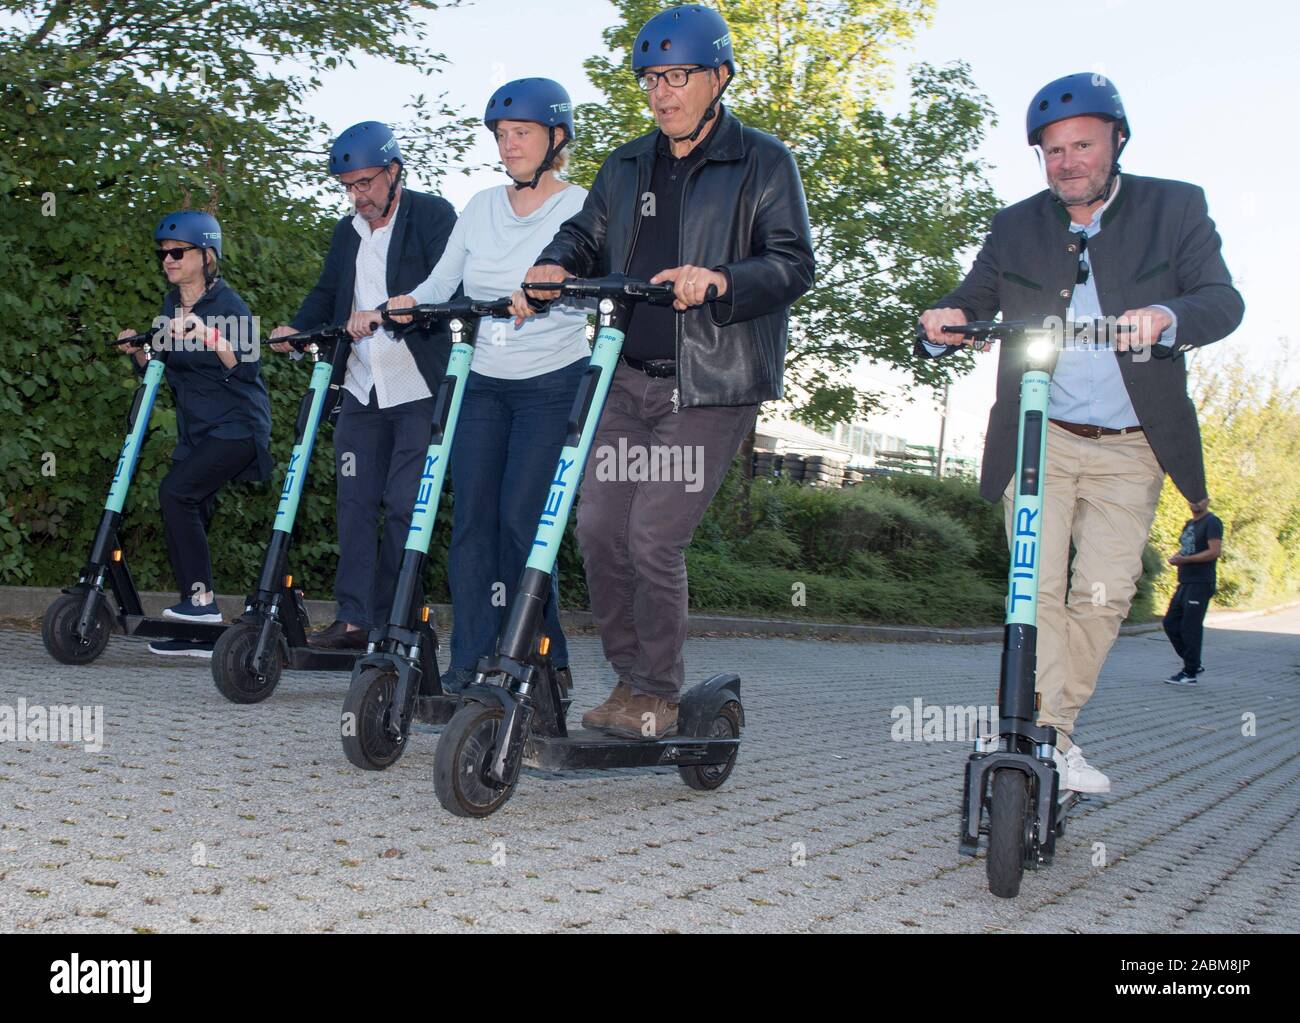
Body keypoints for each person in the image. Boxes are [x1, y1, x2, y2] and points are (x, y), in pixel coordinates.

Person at [917, 74, 1244, 792]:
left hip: (1132, 444)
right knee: (1033, 592)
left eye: (1082, 146)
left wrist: (1166, 315)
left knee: (1101, 595)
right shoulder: (1016, 225)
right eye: (1052, 151)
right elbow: (973, 296)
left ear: (1116, 141)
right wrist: (943, 321)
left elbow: (1223, 299)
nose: (1066, 163)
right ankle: (1044, 737)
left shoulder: (1175, 206)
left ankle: (1049, 731)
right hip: (1041, 435)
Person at [512, 4, 815, 739]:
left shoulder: (762, 161)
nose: (662, 93)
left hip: (708, 384)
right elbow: (586, 234)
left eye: (677, 76)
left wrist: (720, 280)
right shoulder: (624, 164)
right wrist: (556, 262)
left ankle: (660, 690)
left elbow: (793, 263)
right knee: (598, 527)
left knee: (652, 533)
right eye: (651, 78)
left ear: (718, 77)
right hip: (626, 375)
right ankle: (628, 681)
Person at [357, 79, 589, 693]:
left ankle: (544, 657)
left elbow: (586, 283)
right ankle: (470, 663)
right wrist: (403, 302)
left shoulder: (580, 207)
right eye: (502, 136)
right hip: (482, 380)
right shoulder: (482, 204)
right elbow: (442, 283)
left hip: (553, 381)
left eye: (523, 134)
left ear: (556, 138)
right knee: (472, 524)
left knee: (521, 524)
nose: (509, 146)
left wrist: (549, 290)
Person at [269, 121, 457, 649]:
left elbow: (447, 286)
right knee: (354, 501)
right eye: (349, 186)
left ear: (394, 172)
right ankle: (353, 619)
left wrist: (388, 311)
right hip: (360, 387)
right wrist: (296, 329)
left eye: (367, 183)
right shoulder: (345, 231)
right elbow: (327, 291)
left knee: (403, 504)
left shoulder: (433, 216)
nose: (359, 196)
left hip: (418, 386)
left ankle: (398, 618)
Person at [118, 211, 273, 658]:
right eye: (164, 252)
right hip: (198, 431)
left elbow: (248, 366)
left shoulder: (229, 305)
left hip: (237, 426)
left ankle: (202, 607)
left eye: (177, 252)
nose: (168, 259)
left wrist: (209, 335)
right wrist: (139, 353)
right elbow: (164, 368)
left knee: (176, 494)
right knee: (191, 508)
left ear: (206, 256)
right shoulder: (169, 307)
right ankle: (198, 631)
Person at [1162, 497, 1223, 686]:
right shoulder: (1189, 524)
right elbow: (1187, 549)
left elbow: (1214, 552)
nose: (1195, 502)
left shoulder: (1212, 522)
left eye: (1199, 498)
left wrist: (1186, 560)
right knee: (1170, 623)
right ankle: (1193, 664)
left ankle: (1190, 672)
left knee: (1190, 627)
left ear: (1208, 501)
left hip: (1201, 582)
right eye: (1192, 499)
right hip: (1185, 581)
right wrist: (1178, 557)